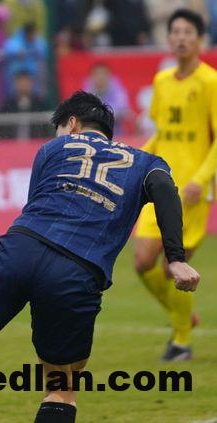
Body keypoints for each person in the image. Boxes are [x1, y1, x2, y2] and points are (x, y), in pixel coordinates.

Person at [0, 91, 200, 423]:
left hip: (18, 251)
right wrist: (175, 258)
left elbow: (34, 206)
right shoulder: (145, 162)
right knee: (61, 388)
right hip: (75, 269)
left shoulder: (52, 149)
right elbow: (165, 189)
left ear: (72, 124)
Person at [133, 8, 217, 361]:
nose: (181, 37)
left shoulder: (210, 82)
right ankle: (182, 316)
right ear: (168, 39)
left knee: (173, 268)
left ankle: (181, 340)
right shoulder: (162, 81)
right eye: (176, 32)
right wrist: (138, 160)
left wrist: (201, 179)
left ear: (200, 40)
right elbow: (162, 135)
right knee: (142, 262)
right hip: (161, 186)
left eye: (188, 32)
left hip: (193, 192)